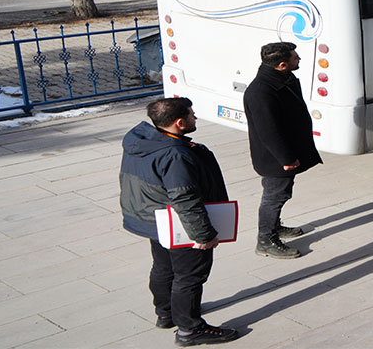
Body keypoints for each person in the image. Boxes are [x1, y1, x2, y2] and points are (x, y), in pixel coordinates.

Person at [119, 97, 239, 346]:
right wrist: (203, 235)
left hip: (155, 219)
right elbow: (185, 198)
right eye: (192, 115)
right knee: (190, 276)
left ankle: (166, 313)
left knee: (164, 268)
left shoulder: (142, 141)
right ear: (179, 123)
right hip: (180, 224)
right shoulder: (175, 154)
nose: (196, 118)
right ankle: (189, 329)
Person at [244, 42, 323, 259]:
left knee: (279, 194)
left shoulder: (278, 79)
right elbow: (268, 131)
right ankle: (266, 240)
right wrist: (286, 158)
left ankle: (275, 227)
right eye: (295, 57)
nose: (298, 60)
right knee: (274, 196)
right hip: (276, 158)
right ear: (281, 65)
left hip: (284, 152)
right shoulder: (261, 91)